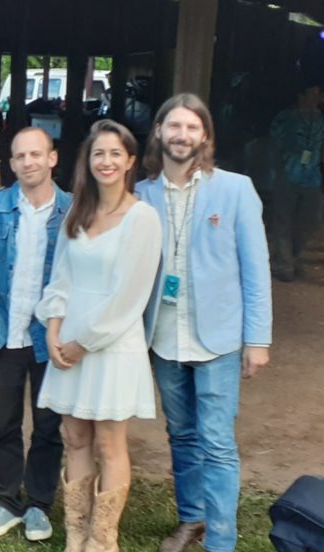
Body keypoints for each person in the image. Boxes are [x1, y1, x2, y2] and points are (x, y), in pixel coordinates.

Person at [136, 93, 272, 552]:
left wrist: (258, 339)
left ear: (205, 136)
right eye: (174, 126)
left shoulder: (235, 189)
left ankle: (221, 539)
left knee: (216, 442)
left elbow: (256, 270)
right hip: (163, 336)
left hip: (218, 339)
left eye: (192, 128)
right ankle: (192, 519)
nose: (182, 135)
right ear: (159, 132)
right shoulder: (142, 193)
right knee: (181, 434)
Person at [35, 120, 162, 551]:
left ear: (129, 161)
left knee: (109, 442)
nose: (105, 162)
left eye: (114, 154)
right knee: (74, 437)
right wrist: (53, 329)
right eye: (97, 154)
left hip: (111, 344)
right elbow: (61, 279)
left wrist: (82, 341)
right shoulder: (78, 212)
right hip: (68, 341)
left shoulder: (142, 218)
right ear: (87, 162)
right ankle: (76, 532)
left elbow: (129, 295)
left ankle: (103, 539)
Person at [0, 127, 70, 542]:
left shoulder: (73, 211)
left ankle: (39, 505)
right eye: (20, 156)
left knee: (48, 425)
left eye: (36, 154)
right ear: (10, 164)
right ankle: (6, 499)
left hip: (51, 336)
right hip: (3, 333)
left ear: (52, 158)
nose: (28, 162)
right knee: (5, 422)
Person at [269, 80, 324, 281]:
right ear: (301, 96)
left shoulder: (320, 120)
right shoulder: (286, 118)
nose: (317, 98)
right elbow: (275, 143)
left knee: (311, 220)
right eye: (313, 93)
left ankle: (292, 255)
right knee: (283, 220)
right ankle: (284, 263)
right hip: (288, 173)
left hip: (312, 178)